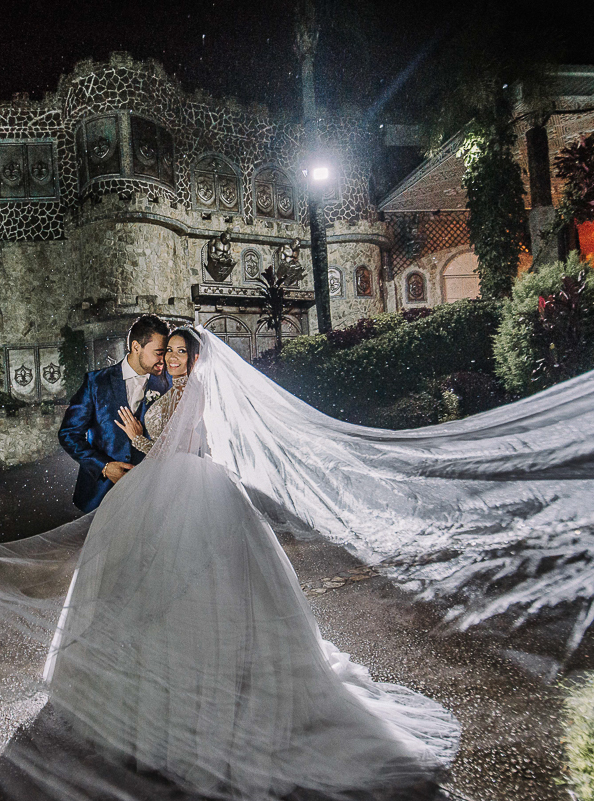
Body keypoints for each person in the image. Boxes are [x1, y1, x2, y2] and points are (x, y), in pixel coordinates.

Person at [44, 327, 461, 799]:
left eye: (179, 353)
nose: (171, 360)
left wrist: (139, 439)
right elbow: (95, 435)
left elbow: (174, 446)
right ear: (140, 350)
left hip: (182, 486)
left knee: (194, 585)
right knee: (154, 583)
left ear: (196, 358)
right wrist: (118, 456)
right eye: (167, 352)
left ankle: (184, 699)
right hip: (159, 487)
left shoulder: (190, 388)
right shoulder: (147, 385)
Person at [57, 315, 172, 513]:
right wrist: (104, 466)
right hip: (100, 494)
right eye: (159, 353)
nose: (164, 360)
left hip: (150, 495)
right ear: (136, 347)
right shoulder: (95, 382)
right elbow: (69, 434)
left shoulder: (168, 385)